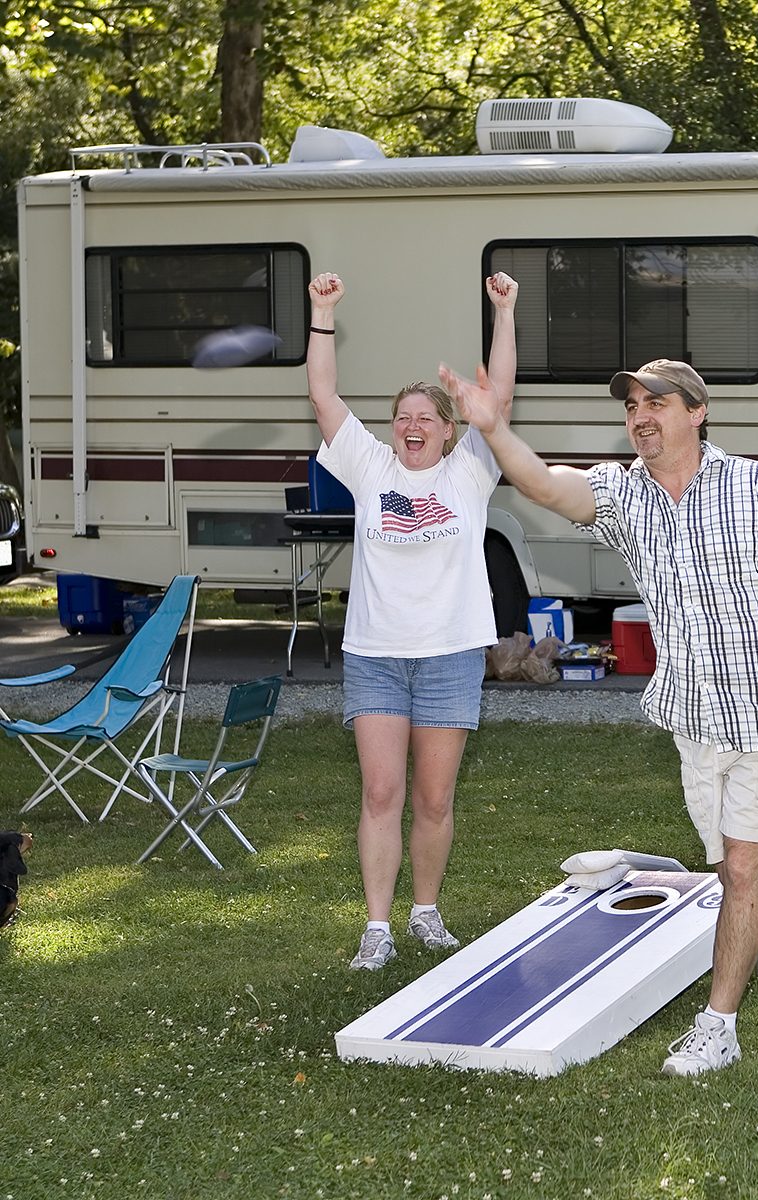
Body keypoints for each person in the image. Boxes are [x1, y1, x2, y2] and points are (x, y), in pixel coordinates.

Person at [437, 355, 758, 1075]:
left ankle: (718, 1027)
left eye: (656, 404)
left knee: (743, 870)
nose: (641, 417)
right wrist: (492, 427)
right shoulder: (626, 499)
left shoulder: (757, 487)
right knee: (744, 866)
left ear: (696, 412)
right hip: (695, 716)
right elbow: (543, 485)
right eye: (632, 408)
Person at [307, 270, 517, 969]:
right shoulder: (370, 468)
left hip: (451, 655)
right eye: (402, 417)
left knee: (432, 797)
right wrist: (322, 312)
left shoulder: (469, 472)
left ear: (449, 430)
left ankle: (425, 912)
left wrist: (504, 312)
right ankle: (377, 926)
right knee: (380, 791)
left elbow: (502, 399)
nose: (412, 427)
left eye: (426, 418)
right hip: (376, 654)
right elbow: (323, 395)